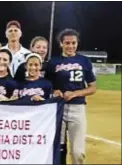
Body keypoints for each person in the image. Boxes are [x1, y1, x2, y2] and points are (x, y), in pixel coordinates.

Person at [46, 28, 96, 164]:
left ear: (77, 43)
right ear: (61, 44)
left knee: (77, 152)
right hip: (59, 109)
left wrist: (75, 93)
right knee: (60, 149)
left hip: (77, 108)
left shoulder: (84, 61)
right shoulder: (53, 62)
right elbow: (46, 85)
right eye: (67, 43)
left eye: (73, 43)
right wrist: (54, 91)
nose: (70, 46)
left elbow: (92, 87)